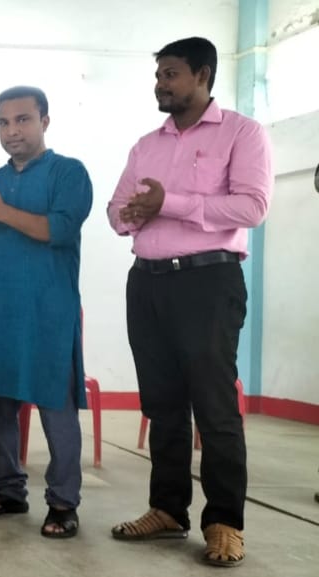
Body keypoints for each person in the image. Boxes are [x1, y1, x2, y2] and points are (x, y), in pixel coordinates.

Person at [107, 37, 271, 568]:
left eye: (171, 74)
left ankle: (224, 522)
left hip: (207, 283)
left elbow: (251, 207)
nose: (161, 84)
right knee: (162, 405)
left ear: (202, 75)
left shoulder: (242, 133)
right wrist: (132, 214)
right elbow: (116, 210)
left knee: (214, 408)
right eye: (159, 75)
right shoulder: (146, 145)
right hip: (147, 283)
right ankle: (167, 509)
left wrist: (168, 204)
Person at [0, 86, 92, 539]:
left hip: (48, 312)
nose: (11, 130)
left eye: (22, 120)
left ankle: (63, 502)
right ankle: (9, 490)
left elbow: (59, 229)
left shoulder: (68, 172)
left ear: (45, 121)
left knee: (56, 407)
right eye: (3, 122)